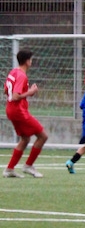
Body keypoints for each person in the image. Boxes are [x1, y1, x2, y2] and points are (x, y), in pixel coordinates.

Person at [4, 49, 48, 178]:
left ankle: (9, 169)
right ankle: (28, 166)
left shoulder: (13, 72)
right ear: (27, 61)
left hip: (10, 109)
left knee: (25, 139)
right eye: (31, 59)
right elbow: (15, 96)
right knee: (43, 136)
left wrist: (23, 93)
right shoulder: (22, 76)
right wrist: (30, 92)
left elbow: (6, 91)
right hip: (19, 111)